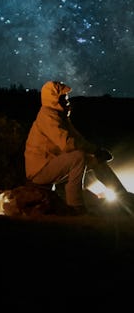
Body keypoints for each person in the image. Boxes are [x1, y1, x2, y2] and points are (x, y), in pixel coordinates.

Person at [24, 80, 117, 215]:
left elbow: (78, 139)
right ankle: (75, 205)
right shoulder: (47, 116)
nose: (67, 101)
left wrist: (97, 152)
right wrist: (95, 150)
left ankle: (122, 196)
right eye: (63, 98)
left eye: (67, 98)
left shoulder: (60, 117)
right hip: (40, 171)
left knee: (96, 160)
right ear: (53, 99)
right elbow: (68, 144)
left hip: (51, 166)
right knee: (78, 157)